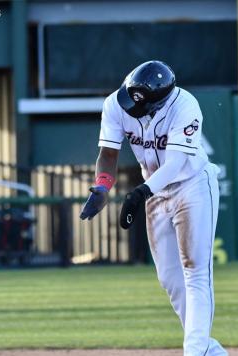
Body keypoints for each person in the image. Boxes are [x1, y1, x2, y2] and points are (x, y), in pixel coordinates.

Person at [79, 60, 227, 356]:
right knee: (170, 280)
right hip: (155, 193)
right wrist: (103, 186)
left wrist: (138, 194)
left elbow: (175, 164)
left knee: (195, 271)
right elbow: (107, 153)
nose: (130, 105)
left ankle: (195, 351)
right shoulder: (115, 103)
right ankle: (209, 350)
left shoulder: (185, 106)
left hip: (192, 185)